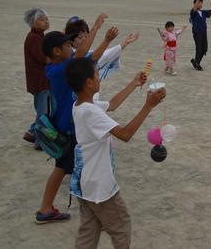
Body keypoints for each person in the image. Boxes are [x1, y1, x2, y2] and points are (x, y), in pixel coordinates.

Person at [66, 57, 166, 249]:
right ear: (88, 83)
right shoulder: (90, 112)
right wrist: (148, 106)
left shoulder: (81, 104)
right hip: (100, 186)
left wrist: (134, 83)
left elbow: (111, 104)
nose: (99, 78)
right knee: (121, 226)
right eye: (96, 75)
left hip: (85, 184)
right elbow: (125, 134)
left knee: (89, 230)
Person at [35, 14, 116, 224]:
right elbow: (81, 55)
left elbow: (89, 59)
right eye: (66, 46)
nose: (70, 48)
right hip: (70, 129)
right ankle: (98, 215)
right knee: (83, 171)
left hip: (67, 126)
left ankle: (45, 209)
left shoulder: (60, 67)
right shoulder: (59, 70)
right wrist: (96, 27)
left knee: (61, 169)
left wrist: (106, 41)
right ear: (56, 51)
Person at [65, 17, 139, 81]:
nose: (85, 40)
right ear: (70, 41)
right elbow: (93, 58)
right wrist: (106, 39)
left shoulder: (88, 53)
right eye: (80, 37)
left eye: (86, 36)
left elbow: (106, 54)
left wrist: (126, 42)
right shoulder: (69, 57)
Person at [23, 8, 51, 148]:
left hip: (42, 80)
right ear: (33, 23)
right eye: (42, 19)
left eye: (46, 19)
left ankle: (31, 132)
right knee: (43, 111)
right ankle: (40, 141)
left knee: (45, 109)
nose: (46, 22)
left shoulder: (40, 36)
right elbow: (44, 59)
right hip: (40, 81)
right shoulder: (34, 38)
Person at [189, 0, 211, 71]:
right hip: (197, 32)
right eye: (199, 3)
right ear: (195, 4)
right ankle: (197, 64)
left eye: (201, 3)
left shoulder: (203, 12)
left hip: (204, 32)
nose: (200, 4)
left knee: (204, 49)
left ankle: (195, 62)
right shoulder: (193, 12)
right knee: (199, 49)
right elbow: (194, 9)